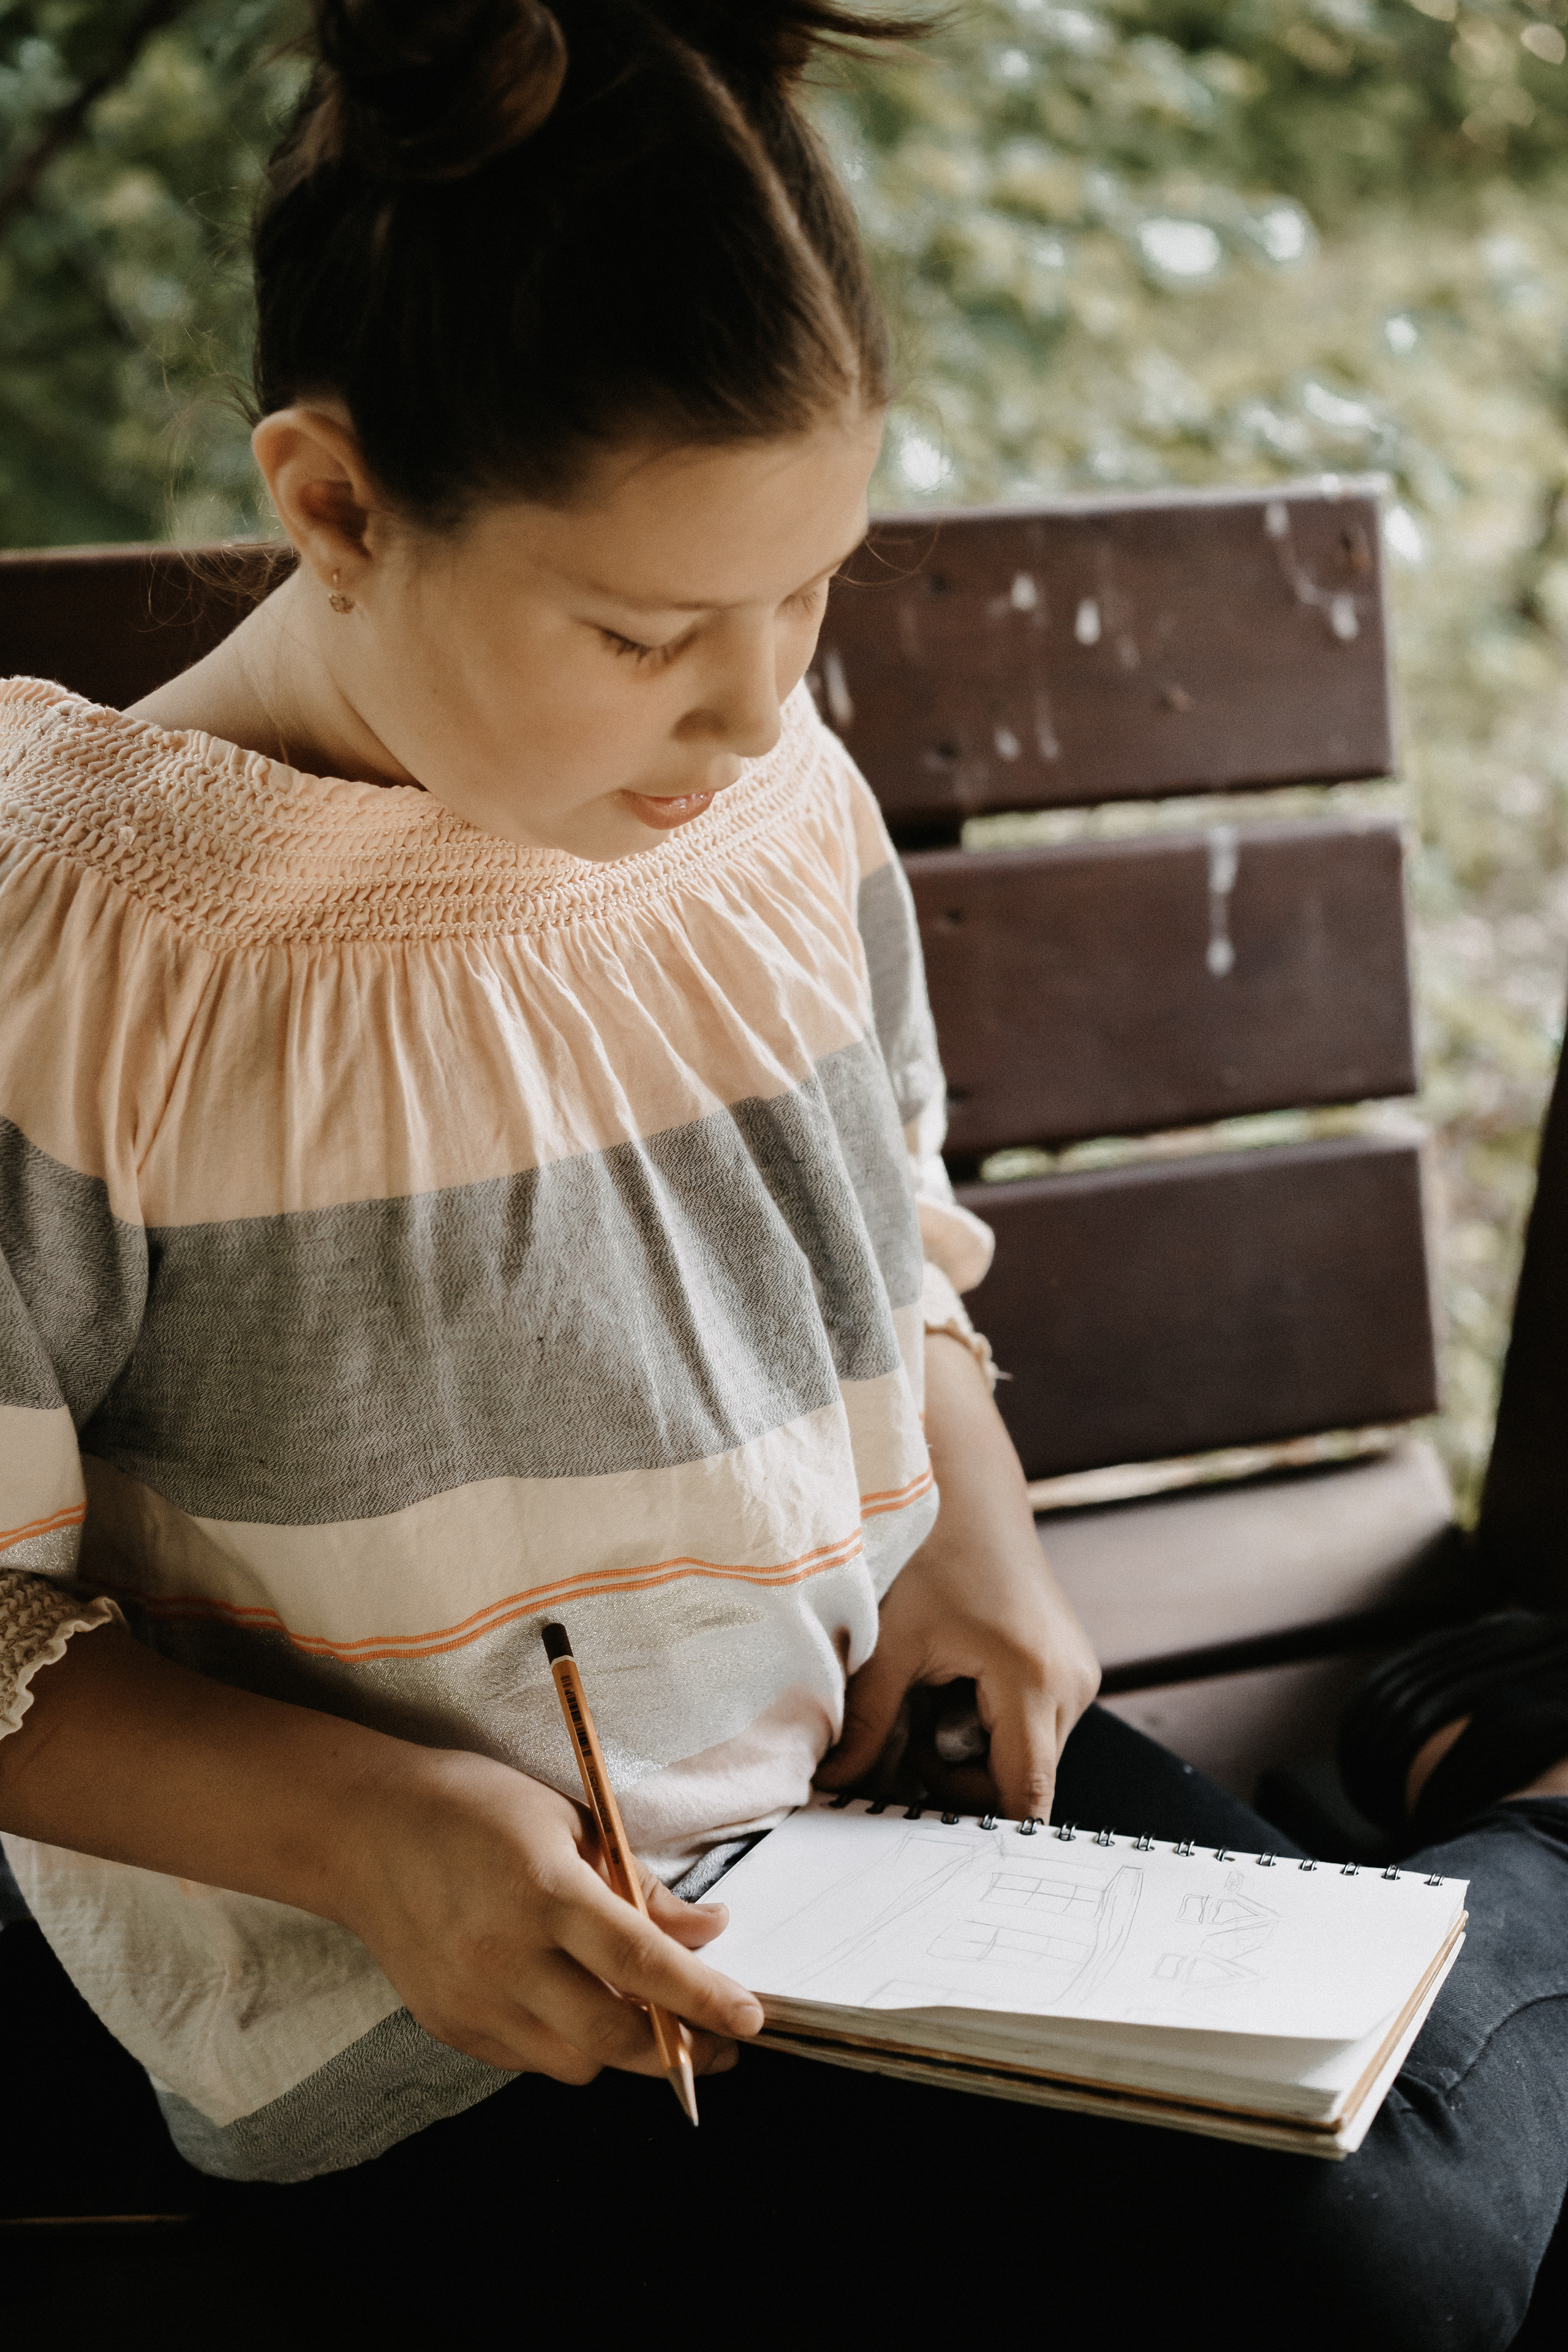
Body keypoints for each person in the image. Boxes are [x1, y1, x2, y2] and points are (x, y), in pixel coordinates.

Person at [0, 7, 1565, 2342]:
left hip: (896, 1829)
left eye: (811, 593)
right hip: (455, 2010)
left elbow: (877, 1238)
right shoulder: (79, 951)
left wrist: (982, 1541)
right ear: (334, 507)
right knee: (1388, 2277)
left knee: (1390, 2209)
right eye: (645, 632)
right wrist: (379, 1834)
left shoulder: (757, 805)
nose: (754, 716)